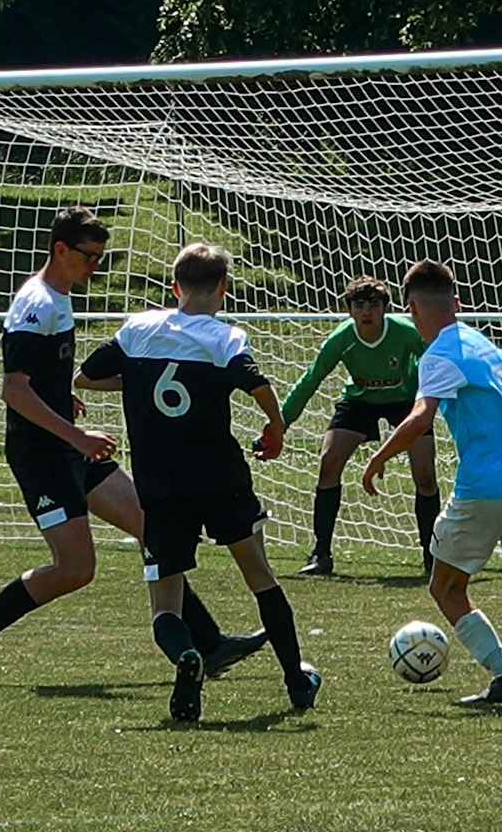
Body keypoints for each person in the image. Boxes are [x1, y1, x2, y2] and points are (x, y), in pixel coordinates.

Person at [0, 207, 266, 688]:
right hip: (43, 455)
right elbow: (13, 389)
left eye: (101, 258)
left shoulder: (58, 298)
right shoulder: (37, 304)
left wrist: (61, 395)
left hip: (68, 447)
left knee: (151, 525)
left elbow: (40, 378)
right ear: (61, 250)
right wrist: (76, 434)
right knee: (76, 569)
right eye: (89, 257)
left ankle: (207, 644)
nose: (95, 267)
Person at [75, 242, 321, 723]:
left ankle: (187, 654)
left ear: (174, 287)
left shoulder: (139, 328)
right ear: (223, 289)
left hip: (160, 485)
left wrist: (138, 383)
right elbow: (258, 385)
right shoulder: (224, 336)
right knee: (260, 577)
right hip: (219, 478)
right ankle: (296, 679)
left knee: (165, 600)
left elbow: (85, 377)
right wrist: (276, 426)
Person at [359, 260, 502, 707]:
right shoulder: (483, 344)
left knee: (445, 588)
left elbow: (421, 417)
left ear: (412, 309)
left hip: (487, 489)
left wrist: (378, 456)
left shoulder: (439, 355)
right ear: (455, 302)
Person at [278, 277, 439, 576]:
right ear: (350, 310)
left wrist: (429, 402)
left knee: (426, 475)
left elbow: (437, 363)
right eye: (360, 305)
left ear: (385, 310)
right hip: (359, 401)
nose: (367, 312)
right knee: (328, 464)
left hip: (405, 401)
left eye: (374, 305)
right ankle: (321, 554)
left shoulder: (405, 332)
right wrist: (281, 423)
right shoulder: (342, 338)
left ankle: (433, 557)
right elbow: (310, 380)